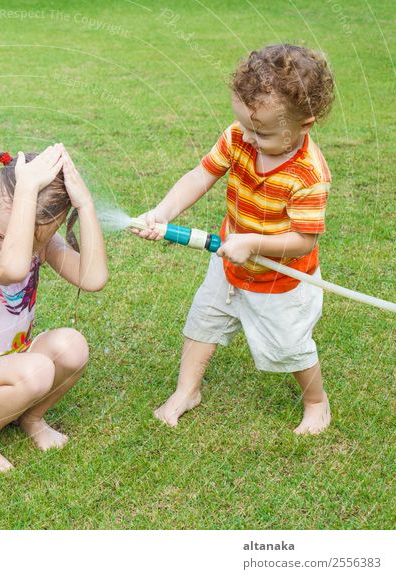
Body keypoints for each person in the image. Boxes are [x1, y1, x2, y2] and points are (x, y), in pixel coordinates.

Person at [135, 44, 335, 434]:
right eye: (242, 123)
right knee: (202, 324)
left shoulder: (309, 175)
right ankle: (186, 391)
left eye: (260, 131)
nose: (246, 135)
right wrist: (161, 213)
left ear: (304, 126)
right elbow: (200, 176)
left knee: (290, 346)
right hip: (228, 262)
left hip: (280, 279)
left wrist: (254, 244)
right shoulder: (238, 137)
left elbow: (303, 241)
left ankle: (316, 401)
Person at [0, 144, 108, 473]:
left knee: (73, 346)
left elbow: (93, 277)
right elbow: (10, 269)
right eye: (4, 233)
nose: (19, 246)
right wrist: (26, 187)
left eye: (33, 242)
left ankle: (31, 417)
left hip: (17, 367)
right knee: (38, 369)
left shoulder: (36, 246)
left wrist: (84, 205)